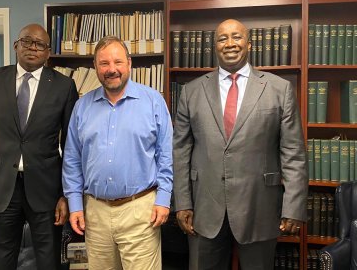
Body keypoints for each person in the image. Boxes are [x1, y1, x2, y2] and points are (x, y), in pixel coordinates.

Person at [173, 19, 308, 270]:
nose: (230, 43)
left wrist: (293, 206)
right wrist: (182, 203)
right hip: (205, 208)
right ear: (215, 46)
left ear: (249, 44)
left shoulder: (279, 89)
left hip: (260, 206)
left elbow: (293, 153)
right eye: (222, 38)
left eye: (236, 37)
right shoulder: (191, 92)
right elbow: (180, 151)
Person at [0, 23, 79, 270]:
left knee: (49, 262)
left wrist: (66, 194)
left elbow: (70, 146)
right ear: (16, 45)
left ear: (48, 52)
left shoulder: (64, 86)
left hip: (46, 192)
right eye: (27, 41)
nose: (33, 48)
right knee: (2, 262)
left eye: (40, 44)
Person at [62, 35, 173, 270]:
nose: (112, 69)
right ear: (95, 67)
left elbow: (166, 155)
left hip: (141, 210)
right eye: (104, 63)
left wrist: (163, 199)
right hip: (96, 212)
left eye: (118, 62)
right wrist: (75, 204)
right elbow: (71, 160)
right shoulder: (82, 107)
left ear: (129, 63)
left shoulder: (153, 101)